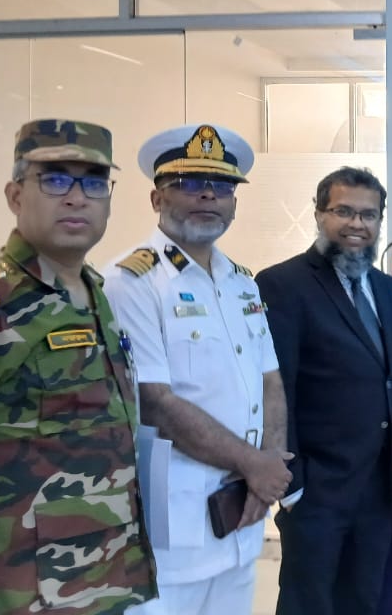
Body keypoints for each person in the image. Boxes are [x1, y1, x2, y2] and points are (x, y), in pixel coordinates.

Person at [0, 120, 156, 615]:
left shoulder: (93, 291)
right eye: (55, 179)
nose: (77, 198)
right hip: (9, 592)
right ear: (15, 195)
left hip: (94, 584)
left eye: (94, 183)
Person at [102, 124, 289, 615]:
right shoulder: (131, 282)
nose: (208, 195)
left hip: (241, 514)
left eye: (222, 186)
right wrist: (256, 467)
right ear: (156, 198)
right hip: (173, 524)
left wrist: (269, 464)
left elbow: (270, 380)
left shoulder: (241, 282)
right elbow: (156, 403)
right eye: (189, 183)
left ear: (234, 203)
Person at [255, 166, 392, 615]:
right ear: (319, 214)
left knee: (362, 602)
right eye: (344, 211)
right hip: (316, 493)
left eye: (368, 215)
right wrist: (292, 486)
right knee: (308, 605)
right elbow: (275, 390)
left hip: (379, 491)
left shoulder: (389, 291)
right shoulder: (282, 285)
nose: (357, 224)